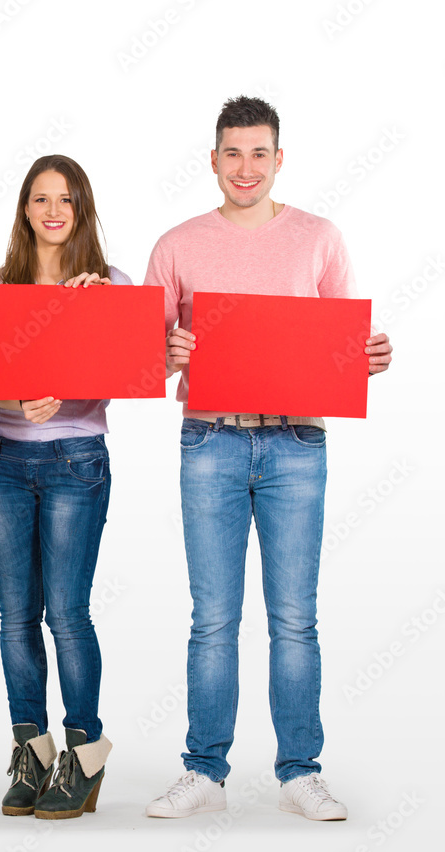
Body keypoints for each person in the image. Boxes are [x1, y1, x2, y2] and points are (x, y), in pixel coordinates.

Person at [143, 96, 393, 822]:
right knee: (213, 618)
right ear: (213, 159)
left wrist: (373, 355)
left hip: (295, 444)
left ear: (279, 159)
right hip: (210, 441)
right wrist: (168, 352)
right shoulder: (178, 244)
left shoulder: (319, 237)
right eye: (232, 152)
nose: (245, 167)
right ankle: (204, 769)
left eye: (259, 153)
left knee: (294, 617)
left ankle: (299, 769)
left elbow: (346, 343)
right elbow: (143, 362)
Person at [0, 155, 123, 820]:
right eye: (41, 199)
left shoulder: (111, 283)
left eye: (66, 199)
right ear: (25, 209)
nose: (53, 210)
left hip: (77, 461)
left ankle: (84, 755)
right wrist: (12, 392)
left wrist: (100, 314)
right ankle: (30, 752)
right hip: (7, 459)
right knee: (14, 616)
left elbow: (129, 370)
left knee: (66, 613)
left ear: (81, 210)